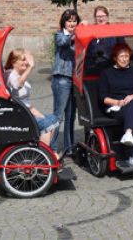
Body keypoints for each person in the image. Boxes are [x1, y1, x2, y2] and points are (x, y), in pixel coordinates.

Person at [99, 43, 133, 168]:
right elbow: (103, 98)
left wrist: (132, 96)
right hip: (117, 106)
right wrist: (118, 102)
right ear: (115, 58)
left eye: (126, 56)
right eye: (121, 56)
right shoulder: (107, 74)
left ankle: (128, 133)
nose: (124, 59)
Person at [4, 49, 59, 147]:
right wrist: (30, 67)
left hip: (26, 112)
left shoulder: (19, 74)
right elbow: (17, 85)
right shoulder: (9, 74)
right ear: (13, 62)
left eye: (26, 59)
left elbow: (27, 104)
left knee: (53, 119)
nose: (26, 62)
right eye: (23, 60)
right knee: (47, 124)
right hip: (19, 116)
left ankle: (52, 153)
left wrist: (40, 115)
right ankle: (44, 154)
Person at [52, 9, 80, 156]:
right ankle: (53, 148)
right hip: (61, 78)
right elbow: (62, 42)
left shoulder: (77, 36)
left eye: (74, 21)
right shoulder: (60, 34)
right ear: (64, 22)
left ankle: (69, 148)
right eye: (69, 20)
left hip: (74, 79)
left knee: (71, 115)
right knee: (58, 115)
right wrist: (74, 35)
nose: (72, 23)